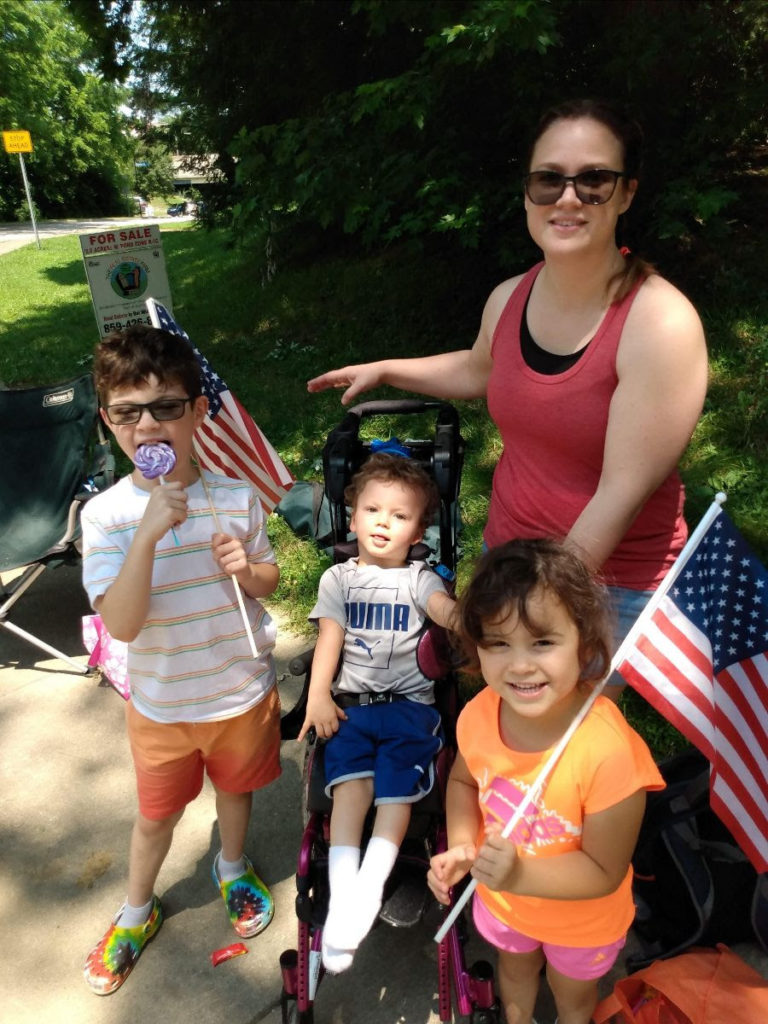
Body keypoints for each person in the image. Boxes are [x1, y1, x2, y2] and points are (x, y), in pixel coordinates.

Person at [307, 97, 708, 695]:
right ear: (527, 193)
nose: (568, 198)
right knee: (504, 731)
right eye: (549, 180)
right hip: (511, 552)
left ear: (626, 193)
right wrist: (386, 367)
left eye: (593, 180)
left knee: (565, 758)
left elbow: (621, 491)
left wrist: (532, 603)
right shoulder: (510, 297)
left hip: (608, 582)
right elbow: (478, 369)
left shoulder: (659, 322)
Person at [80, 325, 281, 995]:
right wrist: (147, 536)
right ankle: (137, 909)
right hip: (165, 702)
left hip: (239, 689)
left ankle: (231, 866)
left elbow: (268, 580)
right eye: (128, 412)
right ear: (108, 422)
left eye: (166, 406)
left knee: (236, 788)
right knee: (156, 815)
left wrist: (247, 569)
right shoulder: (106, 518)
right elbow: (123, 621)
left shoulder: (235, 497)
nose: (148, 425)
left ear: (198, 412)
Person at [427, 539, 665, 1024]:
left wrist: (519, 875)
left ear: (585, 643)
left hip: (583, 922)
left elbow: (604, 870)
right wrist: (463, 845)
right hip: (504, 903)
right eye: (498, 643)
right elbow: (463, 783)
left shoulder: (609, 752)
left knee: (572, 997)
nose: (519, 665)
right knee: (514, 973)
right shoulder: (479, 716)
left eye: (542, 642)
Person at [297, 452, 457, 973]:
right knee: (350, 791)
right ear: (352, 516)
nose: (384, 522)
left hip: (411, 709)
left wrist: (466, 616)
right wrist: (319, 696)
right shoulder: (337, 580)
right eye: (373, 510)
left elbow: (440, 609)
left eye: (400, 515)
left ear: (418, 532)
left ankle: (367, 892)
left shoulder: (419, 578)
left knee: (394, 796)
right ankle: (348, 897)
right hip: (353, 706)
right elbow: (329, 642)